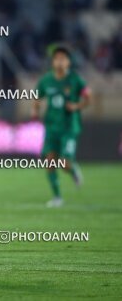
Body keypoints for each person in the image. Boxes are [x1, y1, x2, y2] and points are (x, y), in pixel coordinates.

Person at [32, 45, 91, 207]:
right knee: (50, 161)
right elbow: (37, 96)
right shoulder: (46, 80)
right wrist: (35, 110)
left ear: (69, 62)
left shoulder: (75, 80)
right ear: (52, 62)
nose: (59, 61)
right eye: (56, 58)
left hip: (69, 127)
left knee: (64, 164)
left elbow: (88, 97)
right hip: (51, 127)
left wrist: (77, 106)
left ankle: (73, 170)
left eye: (63, 58)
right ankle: (57, 197)